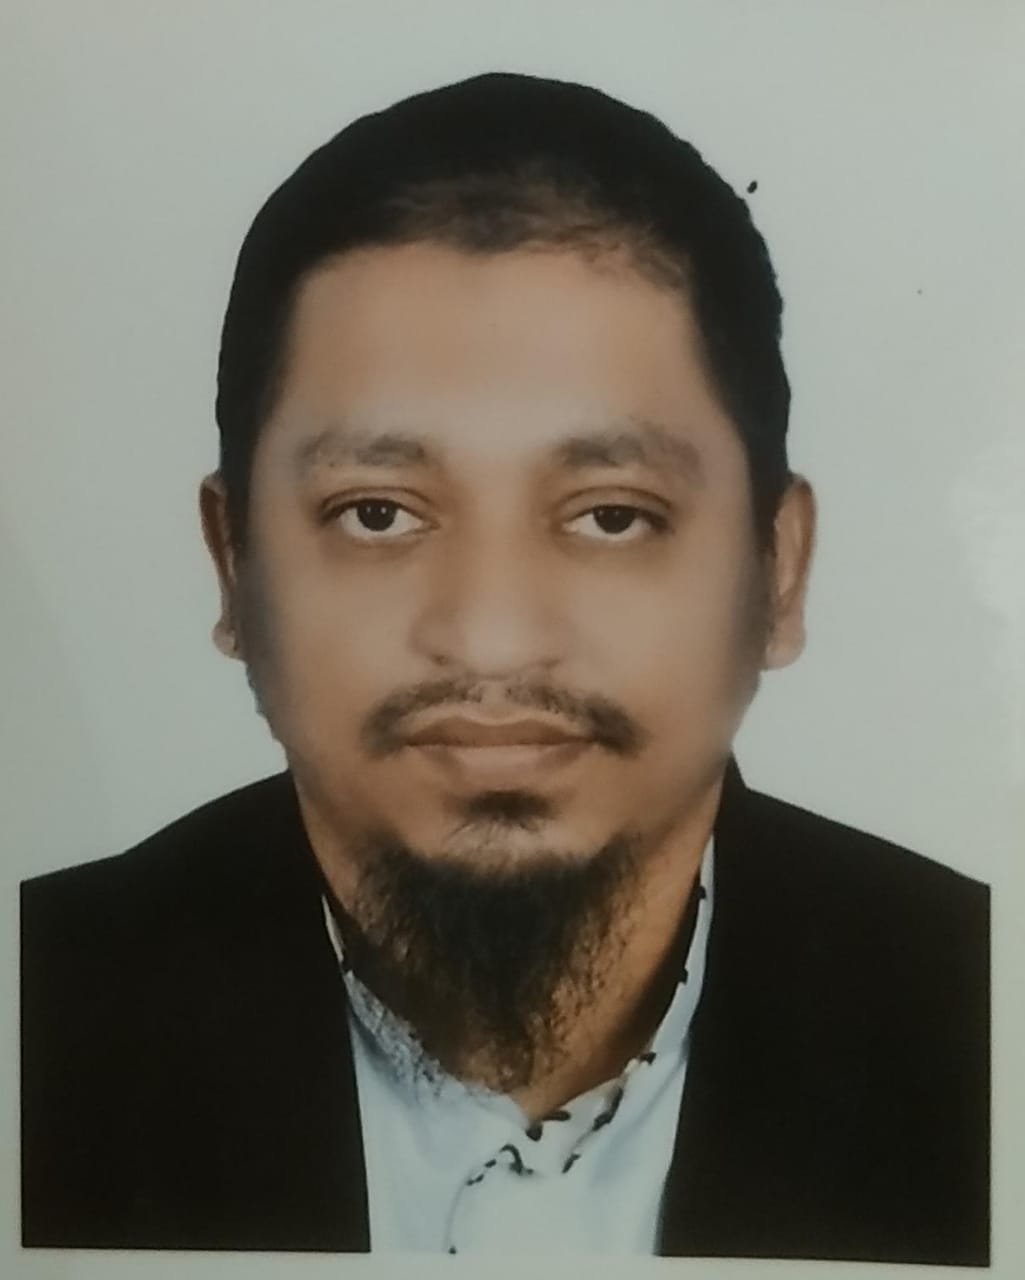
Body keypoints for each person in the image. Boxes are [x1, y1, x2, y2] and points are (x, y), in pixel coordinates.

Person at [20, 71, 989, 1264]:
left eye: (611, 515)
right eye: (377, 512)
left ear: (776, 572)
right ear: (234, 568)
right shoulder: (39, 1015)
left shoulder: (981, 1015)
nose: (487, 637)